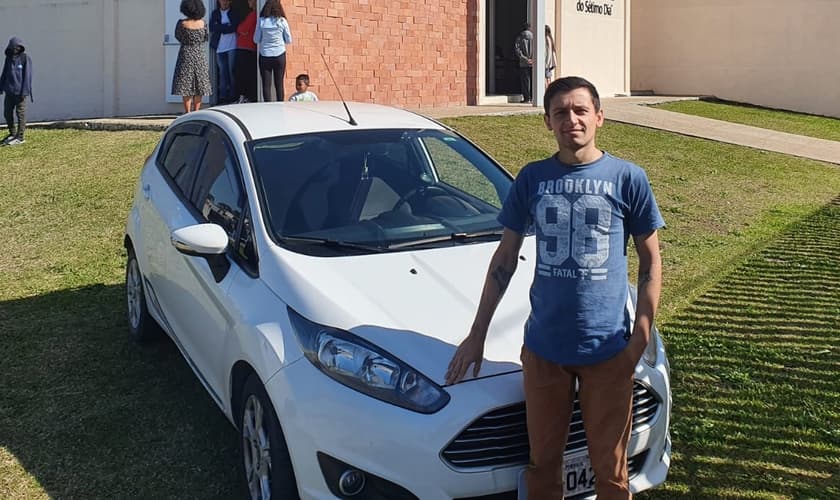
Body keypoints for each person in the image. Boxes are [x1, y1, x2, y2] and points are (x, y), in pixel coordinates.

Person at [445, 76, 665, 500]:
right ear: (547, 121)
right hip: (545, 350)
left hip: (608, 351)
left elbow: (651, 262)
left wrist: (639, 338)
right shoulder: (532, 179)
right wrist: (477, 335)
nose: (572, 120)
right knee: (544, 465)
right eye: (561, 112)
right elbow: (503, 261)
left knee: (612, 472)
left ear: (599, 117)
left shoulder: (627, 179)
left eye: (581, 110)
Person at [171, 0, 212, 113]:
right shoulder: (203, 24)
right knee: (200, 84)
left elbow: (178, 36)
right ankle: (197, 110)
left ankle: (187, 112)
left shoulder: (182, 24)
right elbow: (206, 38)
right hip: (199, 54)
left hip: (186, 54)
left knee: (186, 85)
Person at [253, 0, 292, 102]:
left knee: (266, 84)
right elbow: (289, 40)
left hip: (265, 55)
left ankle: (267, 107)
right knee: (279, 84)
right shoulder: (282, 21)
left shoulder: (261, 21)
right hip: (280, 55)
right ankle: (280, 105)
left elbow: (256, 39)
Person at [0, 36, 33, 146]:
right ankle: (12, 133)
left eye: (18, 47)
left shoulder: (25, 58)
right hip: (9, 92)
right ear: (10, 47)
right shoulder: (8, 58)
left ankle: (20, 137)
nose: (16, 49)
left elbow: (27, 76)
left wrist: (24, 92)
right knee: (7, 113)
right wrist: (1, 87)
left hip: (20, 93)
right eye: (14, 47)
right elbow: (4, 73)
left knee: (20, 115)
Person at [209, 0, 240, 104]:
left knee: (232, 71)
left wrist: (221, 27)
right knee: (222, 73)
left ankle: (233, 96)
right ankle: (222, 97)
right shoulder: (215, 13)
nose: (225, 2)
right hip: (219, 47)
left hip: (232, 46)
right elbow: (212, 27)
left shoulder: (234, 13)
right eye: (223, 0)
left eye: (227, 1)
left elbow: (235, 27)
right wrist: (226, 26)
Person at [234, 0, 258, 103]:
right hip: (247, 48)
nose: (248, 2)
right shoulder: (252, 14)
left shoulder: (253, 15)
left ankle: (245, 97)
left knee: (243, 75)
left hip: (246, 48)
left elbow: (242, 29)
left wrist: (240, 29)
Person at [513, 22, 533, 103]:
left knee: (525, 81)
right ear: (530, 28)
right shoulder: (534, 37)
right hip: (533, 63)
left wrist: (525, 59)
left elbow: (517, 50)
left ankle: (527, 98)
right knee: (533, 80)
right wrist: (533, 59)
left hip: (523, 63)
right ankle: (533, 97)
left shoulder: (520, 37)